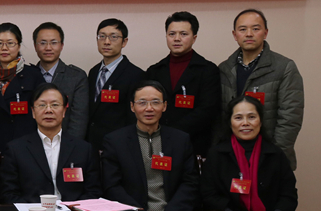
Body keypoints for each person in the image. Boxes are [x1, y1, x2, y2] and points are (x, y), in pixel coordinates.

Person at [101, 81, 207, 211]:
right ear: (132, 107)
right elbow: (112, 186)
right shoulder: (115, 141)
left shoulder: (180, 140)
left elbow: (190, 182)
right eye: (142, 102)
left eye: (155, 102)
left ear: (164, 106)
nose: (149, 108)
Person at [219, 9, 304, 169]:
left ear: (265, 33)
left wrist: (273, 156)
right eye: (243, 29)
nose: (249, 34)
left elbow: (290, 118)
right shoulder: (224, 69)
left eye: (255, 29)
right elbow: (220, 118)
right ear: (235, 35)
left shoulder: (284, 68)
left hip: (269, 157)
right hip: (231, 156)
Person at [0, 83, 100, 204]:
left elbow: (93, 191)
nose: (48, 110)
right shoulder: (16, 149)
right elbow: (8, 194)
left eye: (55, 105)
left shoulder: (83, 149)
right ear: (33, 112)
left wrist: (73, 209)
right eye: (42, 105)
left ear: (64, 111)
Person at [145, 12, 220, 157]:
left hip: (194, 144)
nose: (177, 39)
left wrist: (173, 133)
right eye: (172, 34)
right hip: (157, 142)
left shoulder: (208, 70)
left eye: (183, 34)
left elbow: (207, 110)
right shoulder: (154, 71)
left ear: (194, 38)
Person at [0, 22, 43, 153]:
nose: (4, 48)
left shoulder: (33, 75)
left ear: (19, 45)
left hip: (26, 147)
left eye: (10, 43)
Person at [87, 18, 144, 152]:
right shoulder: (93, 72)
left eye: (113, 37)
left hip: (118, 145)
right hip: (91, 143)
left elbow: (134, 117)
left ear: (124, 42)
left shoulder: (136, 75)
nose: (106, 42)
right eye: (102, 36)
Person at [31, 22, 89, 141]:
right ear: (35, 46)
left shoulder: (76, 77)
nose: (48, 48)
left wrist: (68, 147)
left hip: (68, 144)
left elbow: (78, 120)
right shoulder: (27, 76)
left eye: (54, 43)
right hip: (32, 144)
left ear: (61, 45)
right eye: (43, 43)